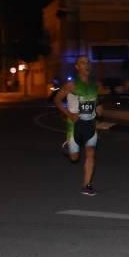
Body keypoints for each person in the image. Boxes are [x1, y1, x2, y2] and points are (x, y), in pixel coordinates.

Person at [54, 55, 103, 196]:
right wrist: (69, 114)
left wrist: (99, 109)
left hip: (90, 124)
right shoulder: (71, 85)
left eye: (88, 63)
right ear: (77, 67)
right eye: (82, 63)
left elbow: (97, 100)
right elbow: (57, 100)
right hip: (74, 125)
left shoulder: (96, 84)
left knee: (90, 153)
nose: (86, 65)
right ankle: (69, 146)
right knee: (74, 157)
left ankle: (86, 185)